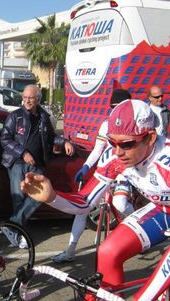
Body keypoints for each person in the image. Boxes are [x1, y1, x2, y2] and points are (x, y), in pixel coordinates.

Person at [21, 99, 170, 301]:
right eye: (112, 142)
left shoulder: (166, 164)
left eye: (126, 144)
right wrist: (53, 197)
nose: (117, 151)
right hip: (163, 209)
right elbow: (84, 202)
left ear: (151, 138)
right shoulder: (116, 158)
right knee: (108, 251)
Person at [51, 88, 134, 263]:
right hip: (106, 170)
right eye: (112, 107)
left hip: (126, 170)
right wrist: (86, 166)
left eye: (119, 106)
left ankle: (139, 227)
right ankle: (70, 251)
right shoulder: (106, 124)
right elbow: (98, 149)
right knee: (82, 209)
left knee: (120, 203)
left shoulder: (134, 123)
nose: (115, 110)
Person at [1, 84, 74, 248]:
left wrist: (65, 142)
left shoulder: (43, 117)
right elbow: (5, 140)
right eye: (25, 97)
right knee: (18, 200)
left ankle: (12, 225)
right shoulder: (15, 116)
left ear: (38, 99)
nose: (27, 101)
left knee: (40, 196)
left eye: (31, 98)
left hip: (37, 165)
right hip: (17, 164)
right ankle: (20, 236)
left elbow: (50, 137)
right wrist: (23, 153)